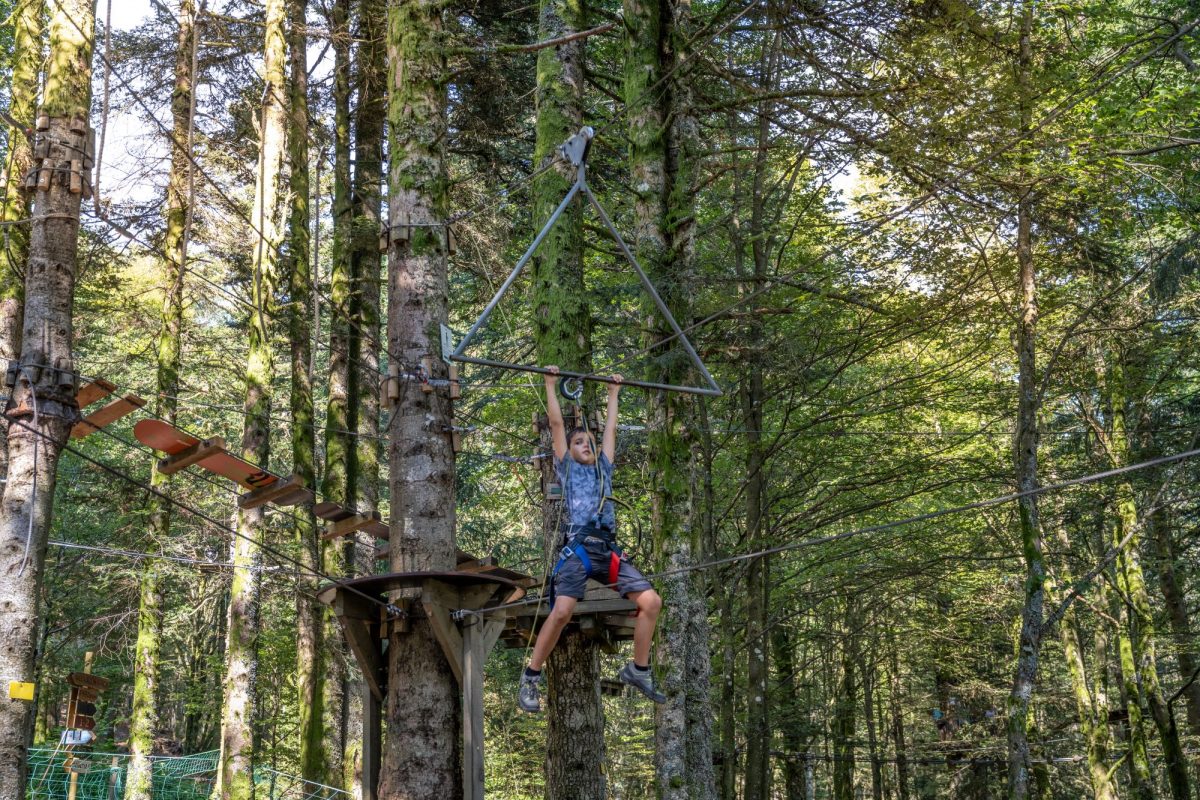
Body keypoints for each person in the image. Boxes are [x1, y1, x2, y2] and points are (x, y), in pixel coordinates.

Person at [518, 366, 665, 713]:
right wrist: (550, 385)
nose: (586, 446)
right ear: (568, 451)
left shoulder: (604, 468)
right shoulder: (568, 469)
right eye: (578, 443)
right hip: (580, 549)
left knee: (652, 602)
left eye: (589, 442)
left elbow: (610, 429)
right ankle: (531, 677)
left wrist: (614, 393)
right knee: (563, 611)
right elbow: (557, 426)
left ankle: (639, 669)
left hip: (607, 550)